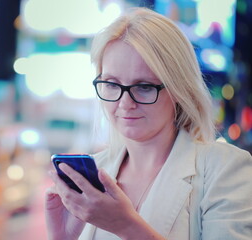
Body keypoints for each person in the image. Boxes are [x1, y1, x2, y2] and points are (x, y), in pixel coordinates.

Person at [45, 7, 252, 240]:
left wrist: (126, 226)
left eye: (143, 87)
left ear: (178, 89)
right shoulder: (95, 173)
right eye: (112, 84)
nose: (125, 103)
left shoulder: (224, 168)